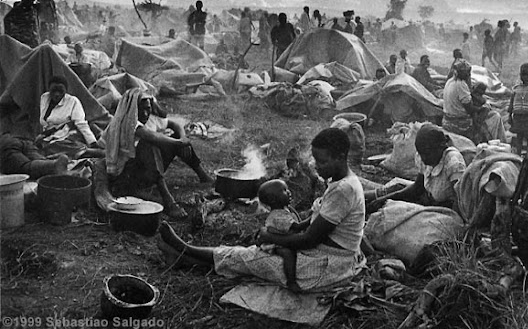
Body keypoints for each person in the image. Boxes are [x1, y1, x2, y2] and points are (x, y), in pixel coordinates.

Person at [158, 128, 367, 292]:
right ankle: (184, 258)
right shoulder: (340, 183)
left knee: (251, 257)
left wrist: (270, 236)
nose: (316, 165)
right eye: (315, 159)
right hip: (329, 257)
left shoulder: (343, 190)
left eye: (322, 161)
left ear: (340, 157)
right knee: (253, 256)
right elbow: (314, 225)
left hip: (326, 267)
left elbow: (309, 240)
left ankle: (184, 249)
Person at [98, 88, 213, 218]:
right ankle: (169, 202)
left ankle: (203, 175)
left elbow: (174, 124)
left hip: (145, 171)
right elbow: (152, 137)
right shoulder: (126, 123)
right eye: (141, 109)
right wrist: (180, 143)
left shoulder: (149, 119)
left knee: (174, 138)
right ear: (133, 110)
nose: (146, 113)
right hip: (126, 177)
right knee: (150, 144)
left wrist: (182, 138)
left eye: (148, 109)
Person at [366, 126, 466, 212]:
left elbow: (461, 202)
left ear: (440, 147)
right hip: (428, 201)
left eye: (427, 154)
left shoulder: (453, 164)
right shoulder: (425, 158)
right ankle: (363, 198)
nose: (424, 158)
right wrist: (384, 199)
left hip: (445, 211)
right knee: (396, 188)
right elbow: (417, 188)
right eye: (421, 154)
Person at [258, 179, 307, 292]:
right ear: (273, 200)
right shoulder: (278, 216)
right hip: (275, 243)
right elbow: (297, 227)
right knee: (288, 254)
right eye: (284, 190)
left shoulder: (285, 209)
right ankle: (291, 282)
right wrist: (313, 216)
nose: (289, 192)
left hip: (283, 238)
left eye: (287, 189)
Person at [37, 75, 101, 158]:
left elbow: (81, 124)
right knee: (42, 147)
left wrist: (92, 142)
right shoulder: (44, 98)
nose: (57, 94)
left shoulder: (73, 101)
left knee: (58, 145)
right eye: (53, 90)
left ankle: (92, 152)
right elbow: (43, 123)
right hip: (48, 136)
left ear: (66, 90)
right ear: (49, 89)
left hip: (68, 135)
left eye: (60, 91)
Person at [442, 59, 481, 140]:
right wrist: (481, 108)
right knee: (481, 118)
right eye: (468, 73)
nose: (469, 75)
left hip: (446, 120)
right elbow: (469, 109)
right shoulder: (460, 85)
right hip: (458, 124)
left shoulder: (449, 82)